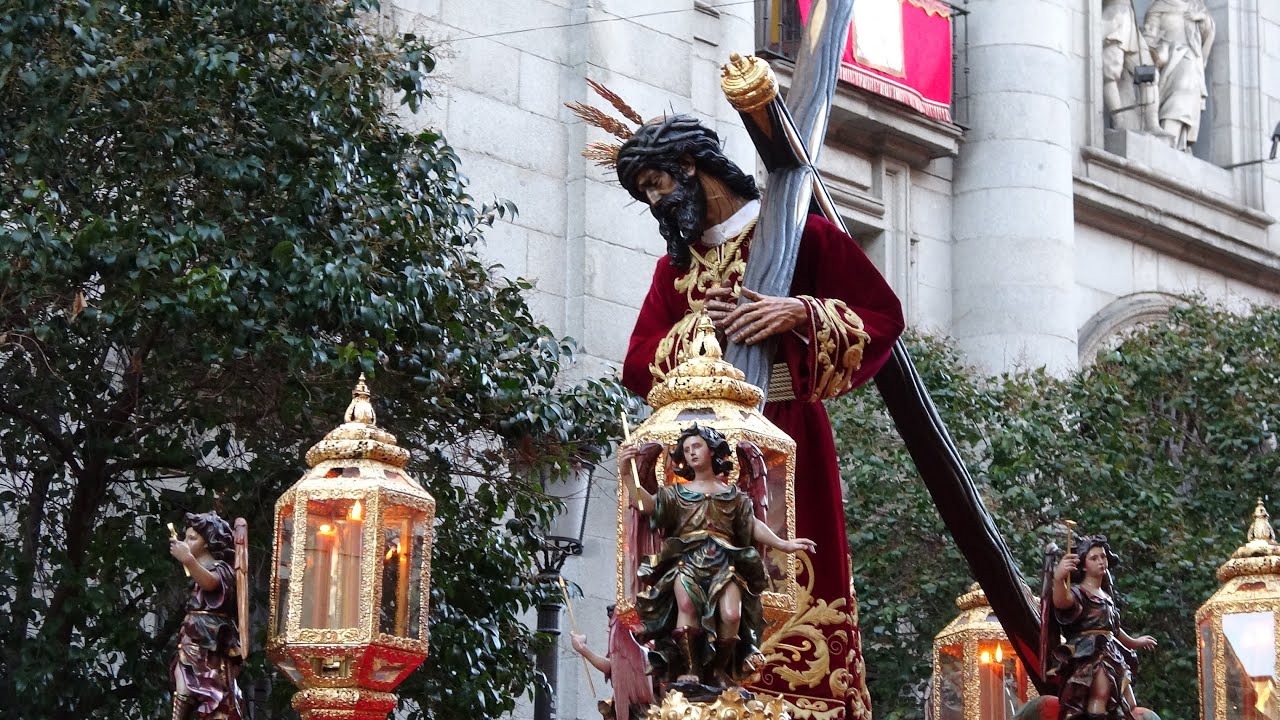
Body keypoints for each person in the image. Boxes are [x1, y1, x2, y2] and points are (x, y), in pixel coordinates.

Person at [615, 113, 903, 716]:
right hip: (700, 455)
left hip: (785, 437)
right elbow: (638, 362)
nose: (654, 202)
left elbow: (881, 316)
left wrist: (799, 313)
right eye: (644, 193)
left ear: (690, 167)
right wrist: (698, 327)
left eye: (656, 184)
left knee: (791, 583)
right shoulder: (675, 272)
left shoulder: (805, 236)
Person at [621, 424, 816, 690]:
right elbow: (645, 505)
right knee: (687, 608)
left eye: (696, 446)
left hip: (725, 562)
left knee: (731, 614)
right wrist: (628, 475)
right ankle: (691, 669)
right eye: (686, 449)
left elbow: (752, 524)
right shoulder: (675, 494)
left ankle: (719, 670)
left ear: (713, 450)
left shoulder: (734, 495)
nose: (691, 453)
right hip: (686, 561)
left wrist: (783, 543)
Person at [1050, 535, 1157, 720]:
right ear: (1083, 565)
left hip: (1112, 653)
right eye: (1094, 558)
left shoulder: (1106, 596)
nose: (1101, 561)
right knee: (1100, 696)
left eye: (1103, 556)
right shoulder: (1078, 592)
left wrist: (1135, 642)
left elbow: (1114, 629)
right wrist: (1059, 579)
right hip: (1091, 656)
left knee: (1129, 703)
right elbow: (1061, 602)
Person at [168, 512, 245, 720]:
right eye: (186, 537)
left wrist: (189, 560)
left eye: (192, 538)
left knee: (207, 683)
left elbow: (211, 582)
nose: (186, 542)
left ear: (208, 542)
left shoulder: (222, 569)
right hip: (192, 633)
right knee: (183, 677)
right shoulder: (195, 574)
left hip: (211, 636)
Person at [1142, 0, 1215, 151]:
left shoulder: (1196, 6)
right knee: (1177, 96)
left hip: (1190, 59)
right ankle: (1168, 139)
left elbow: (1207, 32)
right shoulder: (1159, 6)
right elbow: (1149, 36)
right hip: (1167, 58)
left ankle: (1177, 142)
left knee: (1186, 95)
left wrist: (1201, 19)